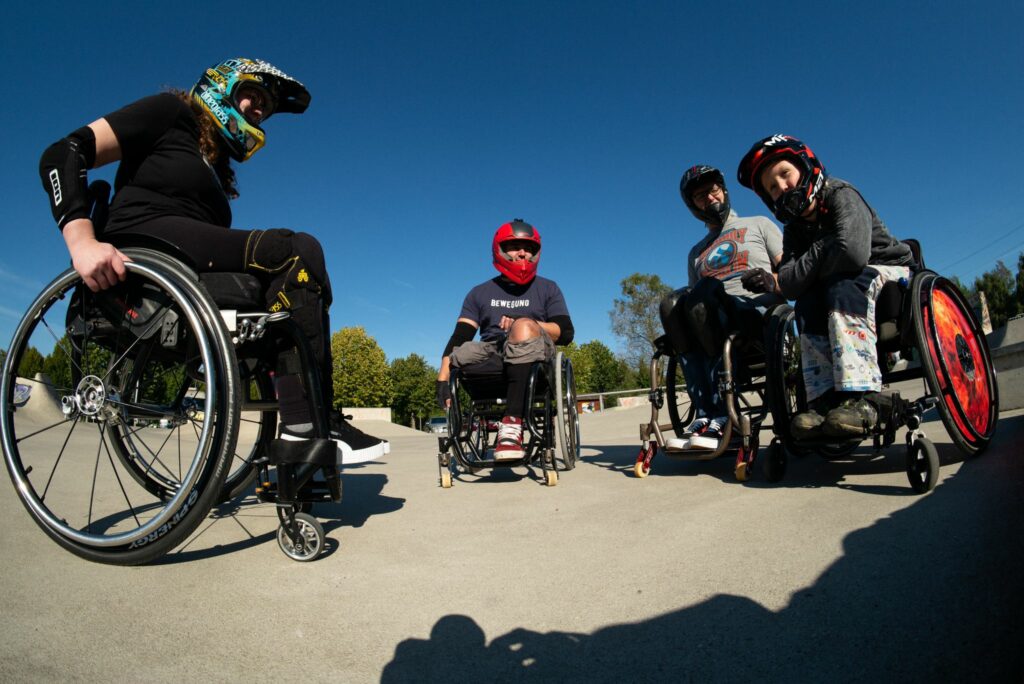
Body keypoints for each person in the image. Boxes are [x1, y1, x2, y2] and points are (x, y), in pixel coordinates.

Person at [38, 57, 388, 463]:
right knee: (296, 251)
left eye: (266, 108)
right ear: (221, 86)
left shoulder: (217, 170)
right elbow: (63, 153)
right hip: (141, 252)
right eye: (252, 95)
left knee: (285, 296)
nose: (259, 110)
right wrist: (81, 241)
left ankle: (303, 422)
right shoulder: (171, 114)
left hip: (189, 271)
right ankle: (311, 421)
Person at [737, 134, 915, 439]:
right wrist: (824, 250)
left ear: (806, 168)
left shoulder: (841, 194)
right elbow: (791, 285)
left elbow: (852, 253)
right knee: (807, 303)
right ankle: (824, 401)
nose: (782, 187)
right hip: (839, 283)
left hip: (892, 274)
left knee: (842, 285)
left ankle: (862, 397)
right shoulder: (793, 230)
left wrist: (812, 258)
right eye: (772, 188)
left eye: (785, 174)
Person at [436, 219, 574, 460]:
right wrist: (442, 379)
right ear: (498, 249)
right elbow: (460, 336)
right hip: (493, 349)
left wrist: (528, 322)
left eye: (529, 248)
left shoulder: (548, 288)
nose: (522, 253)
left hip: (535, 354)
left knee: (521, 328)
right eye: (514, 246)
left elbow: (566, 332)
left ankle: (511, 426)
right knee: (462, 352)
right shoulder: (479, 292)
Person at [670, 165, 785, 449]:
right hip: (710, 317)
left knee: (707, 289)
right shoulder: (696, 253)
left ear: (724, 191)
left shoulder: (758, 224)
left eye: (713, 190)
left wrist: (772, 281)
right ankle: (707, 414)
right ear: (692, 206)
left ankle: (722, 414)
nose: (709, 198)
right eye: (700, 196)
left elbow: (792, 272)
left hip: (755, 314)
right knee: (670, 304)